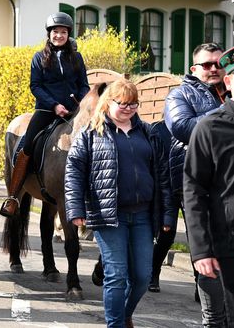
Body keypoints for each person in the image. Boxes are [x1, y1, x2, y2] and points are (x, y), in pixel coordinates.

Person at [65, 79, 174, 328]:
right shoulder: (90, 134)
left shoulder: (148, 133)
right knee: (116, 276)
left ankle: (124, 315)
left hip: (144, 216)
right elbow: (73, 173)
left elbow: (163, 177)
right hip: (108, 214)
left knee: (142, 277)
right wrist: (75, 209)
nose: (128, 108)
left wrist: (168, 214)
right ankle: (115, 325)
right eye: (122, 103)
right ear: (108, 103)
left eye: (133, 104)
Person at [154, 42, 228, 324]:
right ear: (194, 68)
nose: (214, 69)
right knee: (204, 242)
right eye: (207, 65)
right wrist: (226, 112)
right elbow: (183, 127)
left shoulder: (229, 91)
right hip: (193, 179)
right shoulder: (179, 95)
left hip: (228, 181)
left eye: (218, 64)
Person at [0, 12, 89, 217]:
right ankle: (13, 197)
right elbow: (36, 86)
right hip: (46, 110)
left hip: (73, 111)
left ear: (68, 34)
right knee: (27, 144)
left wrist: (81, 103)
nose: (59, 35)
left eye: (63, 32)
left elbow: (83, 84)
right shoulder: (39, 57)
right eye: (55, 32)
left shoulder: (76, 57)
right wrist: (54, 105)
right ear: (49, 34)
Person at [183, 52, 234, 326]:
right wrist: (201, 251)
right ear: (228, 82)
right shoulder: (209, 127)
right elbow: (193, 192)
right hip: (225, 247)